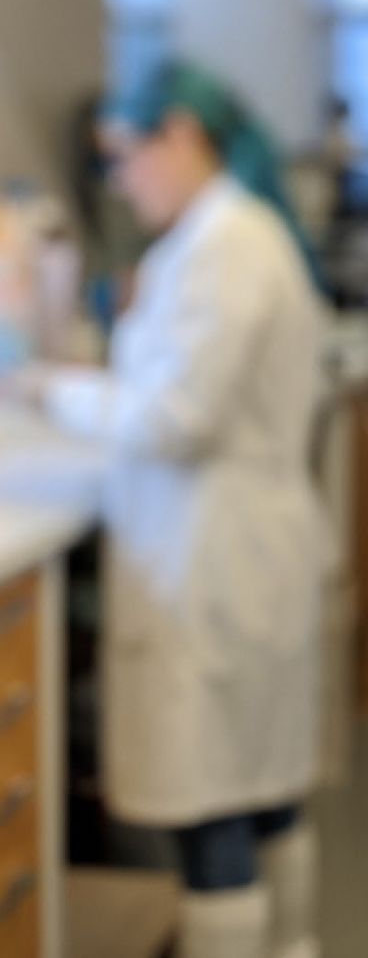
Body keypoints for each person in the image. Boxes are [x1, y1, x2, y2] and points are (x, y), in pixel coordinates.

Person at [17, 60, 329, 958]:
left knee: (215, 809)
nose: (119, 180)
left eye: (124, 156)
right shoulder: (228, 237)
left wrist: (57, 387)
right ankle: (291, 942)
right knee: (263, 789)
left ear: (182, 136)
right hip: (236, 548)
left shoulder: (228, 245)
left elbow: (173, 418)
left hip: (213, 556)